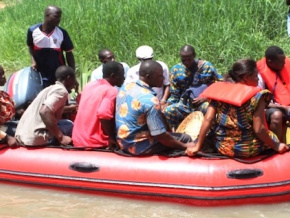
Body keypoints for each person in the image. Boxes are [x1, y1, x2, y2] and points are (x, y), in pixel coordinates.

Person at [186, 59, 289, 158]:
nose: (258, 78)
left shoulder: (220, 90)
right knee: (273, 137)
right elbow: (259, 129)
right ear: (246, 77)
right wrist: (276, 145)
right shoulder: (258, 96)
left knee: (210, 137)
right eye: (255, 75)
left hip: (223, 147)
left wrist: (197, 146)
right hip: (248, 149)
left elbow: (208, 119)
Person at [115, 60, 195, 156]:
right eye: (160, 75)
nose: (164, 78)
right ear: (148, 77)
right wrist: (185, 146)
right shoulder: (150, 101)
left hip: (123, 141)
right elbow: (160, 136)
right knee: (185, 138)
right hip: (137, 146)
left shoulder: (126, 87)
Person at [164, 44, 222, 131]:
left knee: (209, 109)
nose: (187, 62)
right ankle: (177, 135)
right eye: (184, 60)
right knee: (168, 110)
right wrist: (166, 104)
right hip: (184, 104)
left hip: (202, 102)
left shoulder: (206, 67)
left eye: (189, 59)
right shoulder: (176, 70)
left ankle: (210, 136)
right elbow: (174, 94)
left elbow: (219, 85)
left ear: (194, 56)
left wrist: (206, 97)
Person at [15, 66, 76, 146]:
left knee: (65, 123)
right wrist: (61, 137)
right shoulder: (61, 91)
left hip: (22, 135)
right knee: (70, 126)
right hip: (35, 137)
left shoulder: (49, 89)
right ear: (69, 78)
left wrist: (70, 108)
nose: (75, 82)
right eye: (74, 79)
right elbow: (45, 111)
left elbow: (50, 108)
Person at [72, 61, 125, 148]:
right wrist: (111, 138)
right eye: (122, 75)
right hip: (95, 142)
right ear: (113, 76)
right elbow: (103, 114)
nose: (123, 78)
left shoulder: (89, 86)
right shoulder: (111, 91)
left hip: (77, 139)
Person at [27, 5, 75, 88]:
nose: (59, 20)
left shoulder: (62, 33)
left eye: (60, 17)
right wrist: (33, 61)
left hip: (58, 74)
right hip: (41, 72)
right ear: (47, 15)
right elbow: (30, 46)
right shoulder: (32, 31)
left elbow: (69, 53)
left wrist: (72, 75)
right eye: (56, 17)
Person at [257, 46, 290, 143]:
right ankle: (276, 147)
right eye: (281, 61)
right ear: (270, 62)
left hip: (286, 105)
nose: (284, 63)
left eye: (284, 59)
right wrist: (284, 108)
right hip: (269, 106)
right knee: (277, 115)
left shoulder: (285, 66)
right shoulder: (259, 76)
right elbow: (259, 101)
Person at [0, 65, 17, 147]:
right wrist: (7, 138)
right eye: (0, 74)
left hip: (7, 124)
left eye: (3, 73)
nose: (3, 76)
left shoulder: (3, 95)